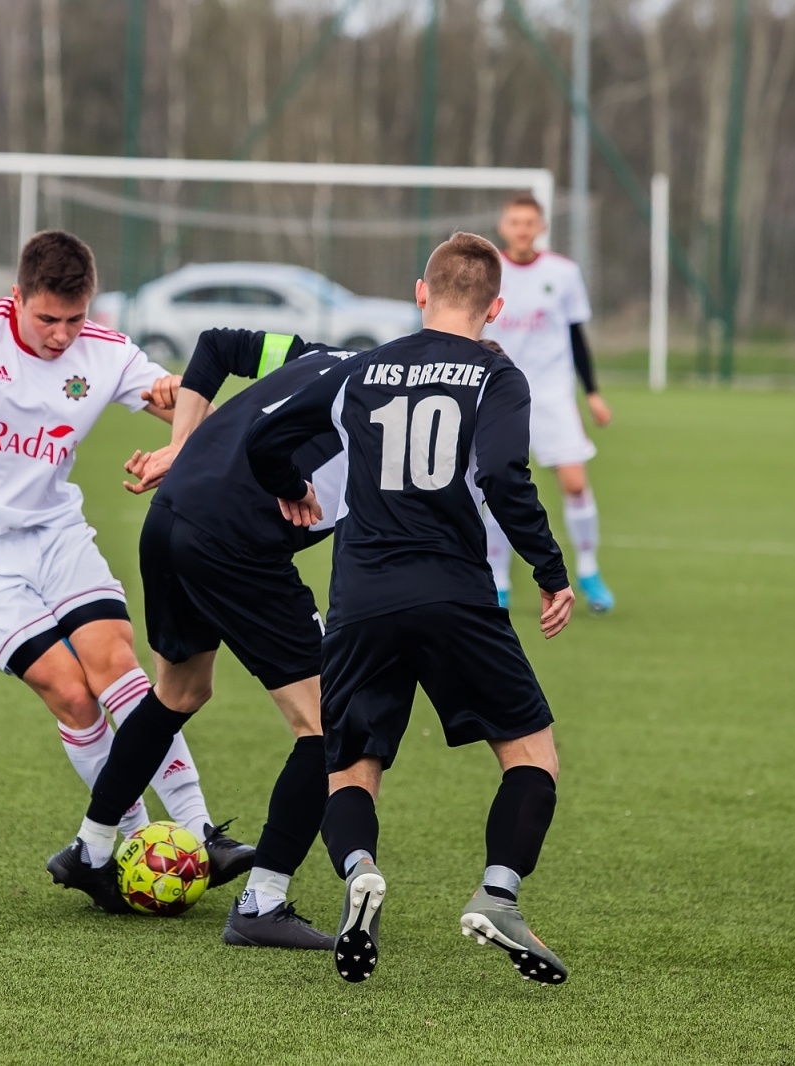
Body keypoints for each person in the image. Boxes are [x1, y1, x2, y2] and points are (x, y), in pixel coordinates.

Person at [0, 230, 255, 893]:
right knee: (72, 691)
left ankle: (200, 833)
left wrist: (183, 438)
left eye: (75, 318)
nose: (62, 334)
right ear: (17, 298)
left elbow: (194, 413)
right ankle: (128, 846)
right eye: (47, 318)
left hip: (53, 533)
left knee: (119, 667)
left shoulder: (105, 352)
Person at [245, 232, 577, 985]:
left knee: (352, 770)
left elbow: (267, 438)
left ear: (421, 293)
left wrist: (291, 483)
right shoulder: (497, 371)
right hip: (454, 592)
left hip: (361, 597)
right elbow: (501, 473)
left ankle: (360, 870)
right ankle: (497, 894)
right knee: (531, 754)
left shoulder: (363, 367)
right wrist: (549, 569)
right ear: (495, 306)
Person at [48, 329, 359, 946]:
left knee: (178, 693)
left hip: (170, 518)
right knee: (327, 724)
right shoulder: (404, 410)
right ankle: (262, 904)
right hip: (235, 541)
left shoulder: (325, 353)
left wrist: (180, 447)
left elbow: (217, 346)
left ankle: (91, 847)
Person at [482, 192, 615, 613]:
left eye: (529, 222)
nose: (522, 229)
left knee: (575, 483)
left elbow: (576, 337)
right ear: (503, 227)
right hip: (500, 393)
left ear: (540, 227)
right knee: (495, 488)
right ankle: (498, 581)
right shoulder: (489, 272)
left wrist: (592, 393)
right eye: (514, 222)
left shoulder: (564, 272)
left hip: (553, 392)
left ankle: (590, 571)